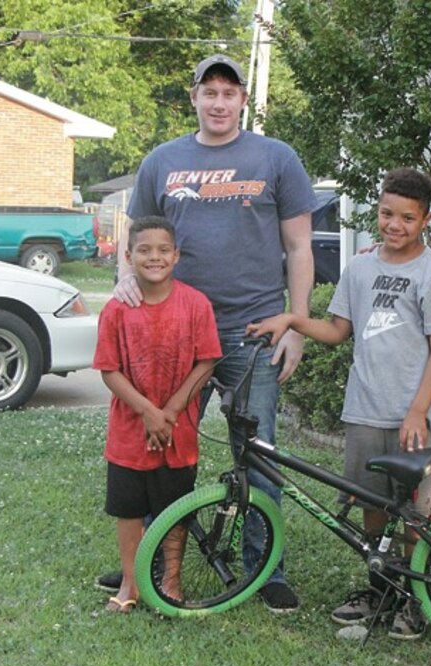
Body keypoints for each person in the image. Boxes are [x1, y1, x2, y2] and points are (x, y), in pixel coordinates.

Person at [107, 54, 316, 613]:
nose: (219, 102)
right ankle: (148, 557)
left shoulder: (276, 158)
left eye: (229, 92)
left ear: (243, 100)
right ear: (193, 97)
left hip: (256, 330)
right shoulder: (162, 161)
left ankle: (265, 568)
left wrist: (296, 322)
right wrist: (126, 282)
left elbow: (299, 247)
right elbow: (138, 239)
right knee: (164, 447)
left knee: (259, 451)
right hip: (175, 332)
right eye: (209, 91)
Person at [248, 168, 431, 640]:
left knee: (416, 516)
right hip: (364, 408)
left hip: (415, 415)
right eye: (386, 214)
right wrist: (292, 319)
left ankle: (416, 600)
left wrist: (418, 410)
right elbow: (338, 331)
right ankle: (381, 588)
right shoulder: (360, 268)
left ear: (424, 219)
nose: (394, 225)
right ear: (376, 212)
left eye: (407, 217)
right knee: (371, 507)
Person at [93, 216, 222, 613]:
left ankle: (171, 581)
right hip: (129, 432)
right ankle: (131, 583)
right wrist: (148, 412)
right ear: (129, 256)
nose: (155, 257)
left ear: (177, 255)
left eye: (164, 250)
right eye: (145, 250)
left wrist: (170, 410)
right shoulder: (116, 310)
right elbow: (108, 370)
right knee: (129, 510)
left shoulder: (195, 303)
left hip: (177, 430)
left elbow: (206, 362)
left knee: (174, 510)